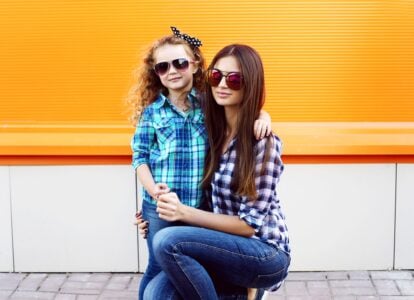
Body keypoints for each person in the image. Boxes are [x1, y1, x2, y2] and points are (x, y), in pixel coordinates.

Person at [127, 27, 272, 300]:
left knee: (191, 262)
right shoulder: (152, 112)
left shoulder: (209, 103)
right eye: (162, 66)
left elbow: (244, 108)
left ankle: (244, 290)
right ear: (155, 72)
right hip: (160, 205)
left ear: (194, 65)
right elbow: (140, 157)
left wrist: (263, 117)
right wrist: (154, 193)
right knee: (157, 266)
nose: (172, 70)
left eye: (180, 63)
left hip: (200, 204)